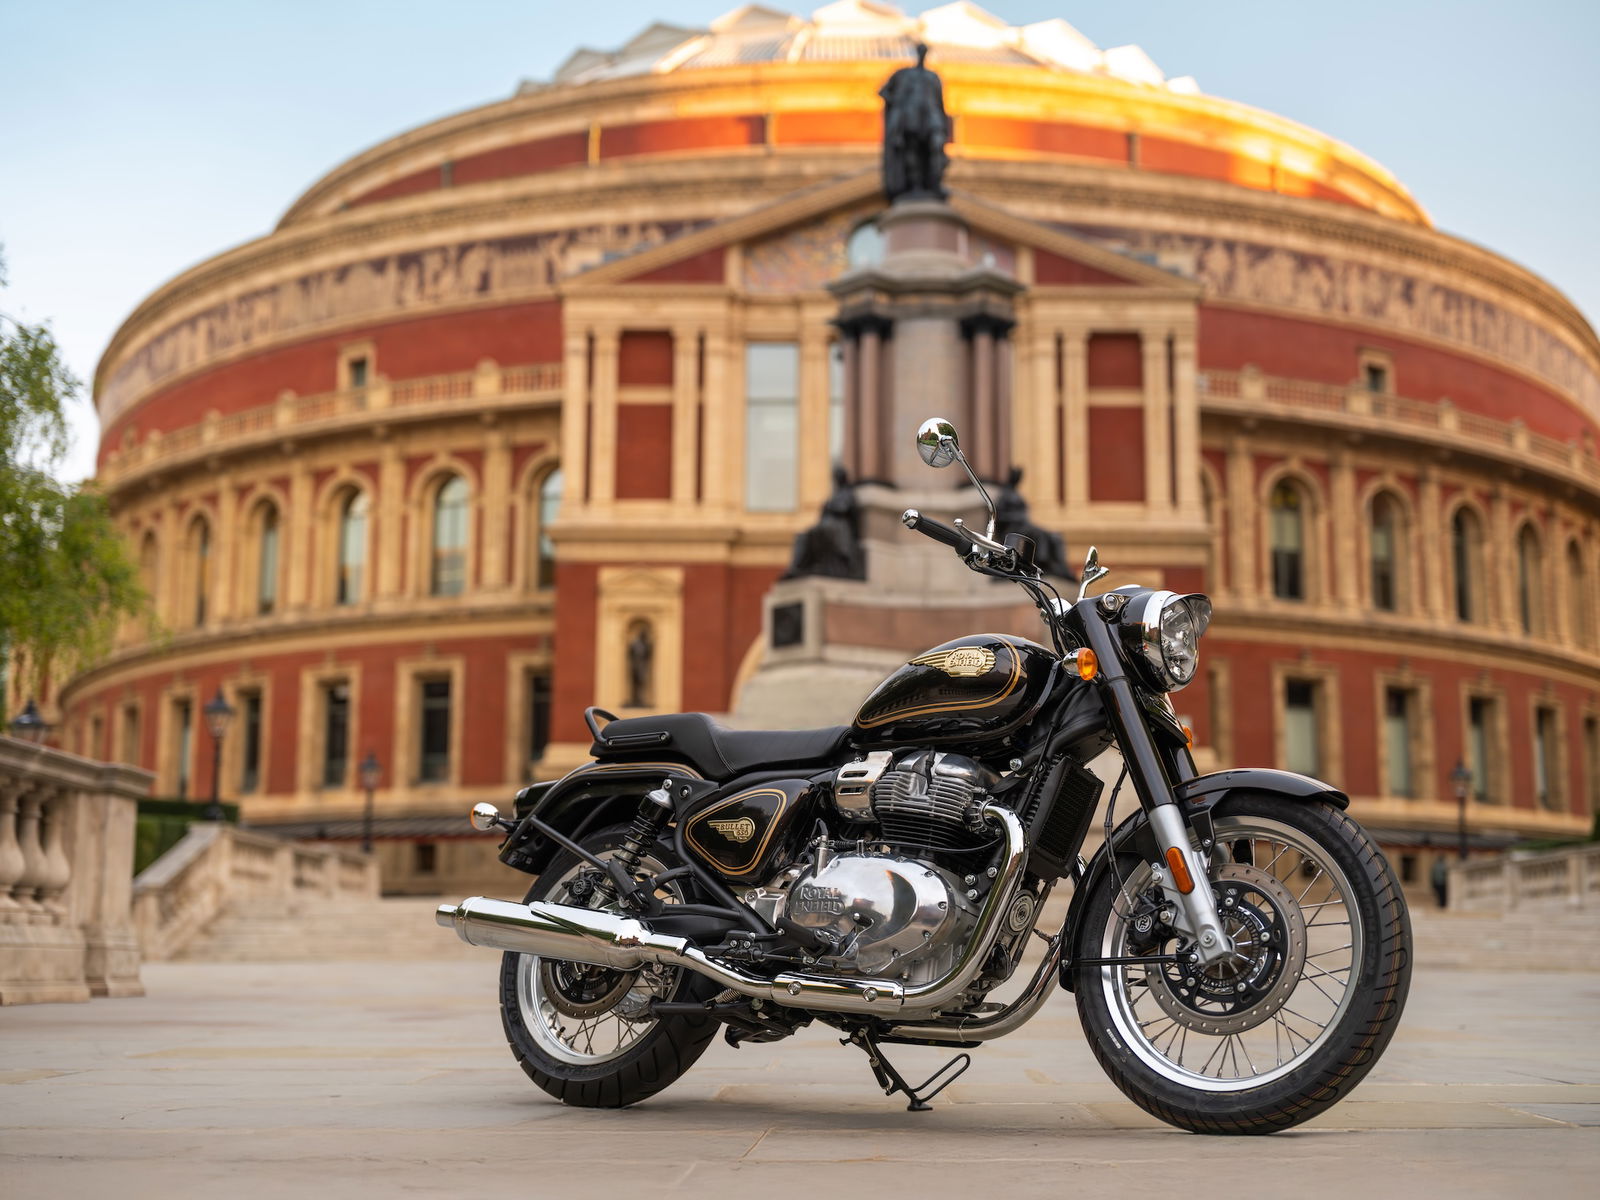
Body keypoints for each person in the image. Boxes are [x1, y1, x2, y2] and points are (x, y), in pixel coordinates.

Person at [878, 43, 950, 201]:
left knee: (936, 145)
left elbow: (941, 102)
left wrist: (946, 126)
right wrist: (896, 104)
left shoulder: (933, 76)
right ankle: (915, 185)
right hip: (910, 116)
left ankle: (934, 181)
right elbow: (883, 91)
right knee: (911, 149)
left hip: (931, 115)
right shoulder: (904, 74)